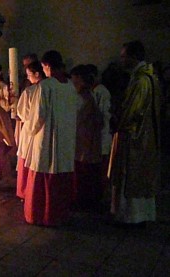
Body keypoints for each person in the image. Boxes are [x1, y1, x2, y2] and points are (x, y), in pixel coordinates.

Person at [22, 50, 78, 226]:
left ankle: (41, 214)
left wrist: (29, 132)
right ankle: (59, 214)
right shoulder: (70, 85)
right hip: (66, 139)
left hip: (47, 137)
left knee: (43, 170)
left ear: (47, 66)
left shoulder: (46, 86)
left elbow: (38, 115)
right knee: (60, 176)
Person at [109, 40, 161, 227]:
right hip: (144, 135)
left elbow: (133, 111)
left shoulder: (141, 80)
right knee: (139, 175)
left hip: (134, 136)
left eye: (124, 56)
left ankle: (131, 217)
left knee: (131, 175)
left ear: (133, 57)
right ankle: (136, 215)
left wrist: (116, 120)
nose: (121, 60)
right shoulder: (148, 77)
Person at [70, 65, 103, 210]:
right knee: (86, 171)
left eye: (75, 80)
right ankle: (86, 199)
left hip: (84, 139)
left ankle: (83, 200)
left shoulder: (85, 96)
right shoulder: (89, 94)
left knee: (83, 172)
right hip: (87, 139)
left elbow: (80, 118)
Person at [16, 61, 45, 200]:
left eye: (29, 74)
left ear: (37, 74)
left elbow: (22, 113)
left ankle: (25, 191)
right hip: (44, 131)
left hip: (29, 129)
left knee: (26, 158)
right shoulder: (48, 89)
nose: (27, 78)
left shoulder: (30, 91)